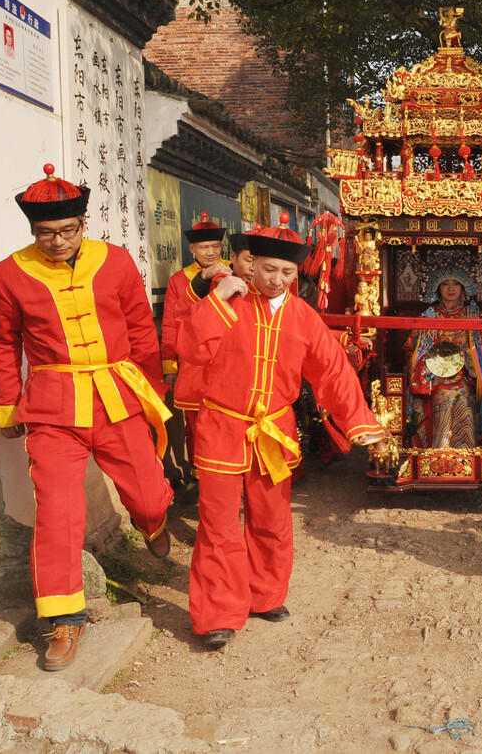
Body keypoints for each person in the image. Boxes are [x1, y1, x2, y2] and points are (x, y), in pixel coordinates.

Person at [0, 164, 174, 670]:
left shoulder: (115, 262)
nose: (58, 241)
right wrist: (7, 405)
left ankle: (152, 523)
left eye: (68, 231)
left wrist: (151, 394)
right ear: (32, 231)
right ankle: (63, 620)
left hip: (116, 395)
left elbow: (141, 330)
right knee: (59, 511)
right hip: (52, 405)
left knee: (149, 491)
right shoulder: (7, 275)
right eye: (46, 234)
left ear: (83, 223)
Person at [179, 223, 386, 648]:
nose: (277, 280)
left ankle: (265, 594)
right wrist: (215, 300)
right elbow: (191, 347)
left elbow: (333, 373)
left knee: (271, 519)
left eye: (287, 273)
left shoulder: (304, 318)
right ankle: (218, 613)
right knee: (218, 523)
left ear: (297, 274)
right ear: (251, 265)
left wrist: (363, 425)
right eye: (269, 269)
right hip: (222, 424)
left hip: (274, 427)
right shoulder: (228, 304)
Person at [162, 213, 231, 502]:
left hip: (227, 360)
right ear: (192, 249)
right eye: (205, 247)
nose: (212, 252)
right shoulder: (179, 280)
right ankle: (199, 475)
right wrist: (170, 366)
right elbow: (170, 323)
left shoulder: (231, 273)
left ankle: (228, 474)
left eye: (216, 246)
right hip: (193, 364)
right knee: (195, 423)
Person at [405, 267, 482, 449]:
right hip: (433, 377)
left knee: (461, 397)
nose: (451, 288)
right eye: (445, 284)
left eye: (456, 283)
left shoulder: (473, 316)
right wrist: (428, 361)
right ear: (437, 288)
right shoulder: (428, 317)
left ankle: (465, 452)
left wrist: (471, 356)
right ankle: (440, 450)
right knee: (444, 396)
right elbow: (413, 349)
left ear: (464, 289)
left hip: (464, 376)